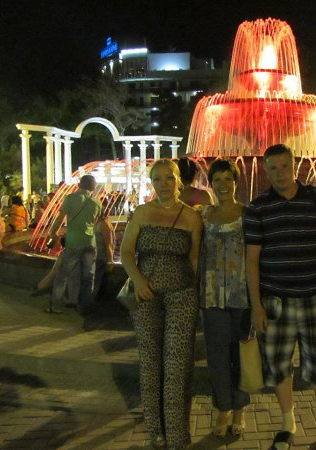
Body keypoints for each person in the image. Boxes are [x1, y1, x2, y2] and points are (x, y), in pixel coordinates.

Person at [243, 144, 316, 450]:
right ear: (266, 170)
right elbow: (252, 260)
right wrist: (256, 306)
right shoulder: (257, 207)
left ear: (294, 166)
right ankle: (287, 423)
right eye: (273, 168)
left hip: (313, 295)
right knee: (279, 364)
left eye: (284, 166)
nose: (280, 173)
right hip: (275, 300)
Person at [120, 158, 203, 449]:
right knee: (150, 364)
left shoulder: (192, 217)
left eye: (169, 178)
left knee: (178, 365)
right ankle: (156, 429)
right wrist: (139, 281)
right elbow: (126, 252)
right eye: (157, 179)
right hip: (147, 297)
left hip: (182, 295)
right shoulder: (143, 213)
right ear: (152, 183)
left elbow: (194, 259)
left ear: (179, 180)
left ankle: (177, 433)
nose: (164, 184)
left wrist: (198, 294)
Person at [199, 159, 250, 438]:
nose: (223, 185)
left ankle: (239, 408)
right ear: (210, 184)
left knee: (240, 355)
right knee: (217, 357)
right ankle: (223, 408)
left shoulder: (247, 214)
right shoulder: (203, 215)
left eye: (228, 179)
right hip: (211, 296)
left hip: (241, 295)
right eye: (217, 180)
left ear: (235, 182)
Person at [47, 175, 101, 314]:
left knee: (63, 274)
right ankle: (85, 305)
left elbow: (60, 218)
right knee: (89, 276)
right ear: (93, 186)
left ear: (79, 185)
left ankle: (55, 305)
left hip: (73, 241)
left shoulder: (70, 198)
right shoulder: (97, 202)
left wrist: (52, 233)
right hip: (90, 242)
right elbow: (95, 222)